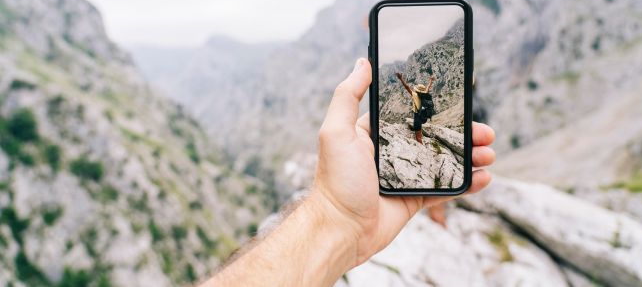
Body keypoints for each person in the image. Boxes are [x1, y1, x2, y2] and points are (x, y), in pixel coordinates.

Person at [203, 58, 496, 286]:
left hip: (425, 125)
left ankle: (438, 203)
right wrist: (337, 215)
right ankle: (438, 203)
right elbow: (417, 89)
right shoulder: (420, 94)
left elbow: (422, 88)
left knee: (435, 141)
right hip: (420, 126)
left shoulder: (423, 94)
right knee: (427, 140)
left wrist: (336, 218)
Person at [395, 72, 435, 144]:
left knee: (418, 136)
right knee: (419, 130)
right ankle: (420, 133)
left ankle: (421, 147)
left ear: (417, 90)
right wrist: (431, 80)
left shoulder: (415, 95)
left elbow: (407, 87)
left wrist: (401, 78)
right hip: (424, 116)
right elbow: (428, 86)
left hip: (418, 116)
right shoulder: (425, 93)